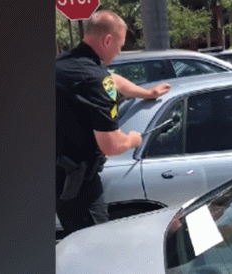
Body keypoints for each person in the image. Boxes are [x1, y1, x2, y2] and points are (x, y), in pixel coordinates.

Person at [55, 10, 170, 236]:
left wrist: (146, 93)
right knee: (95, 243)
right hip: (79, 185)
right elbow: (112, 145)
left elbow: (113, 81)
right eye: (120, 45)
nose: (119, 52)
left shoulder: (65, 64)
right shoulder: (95, 79)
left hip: (57, 173)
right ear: (107, 40)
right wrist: (133, 140)